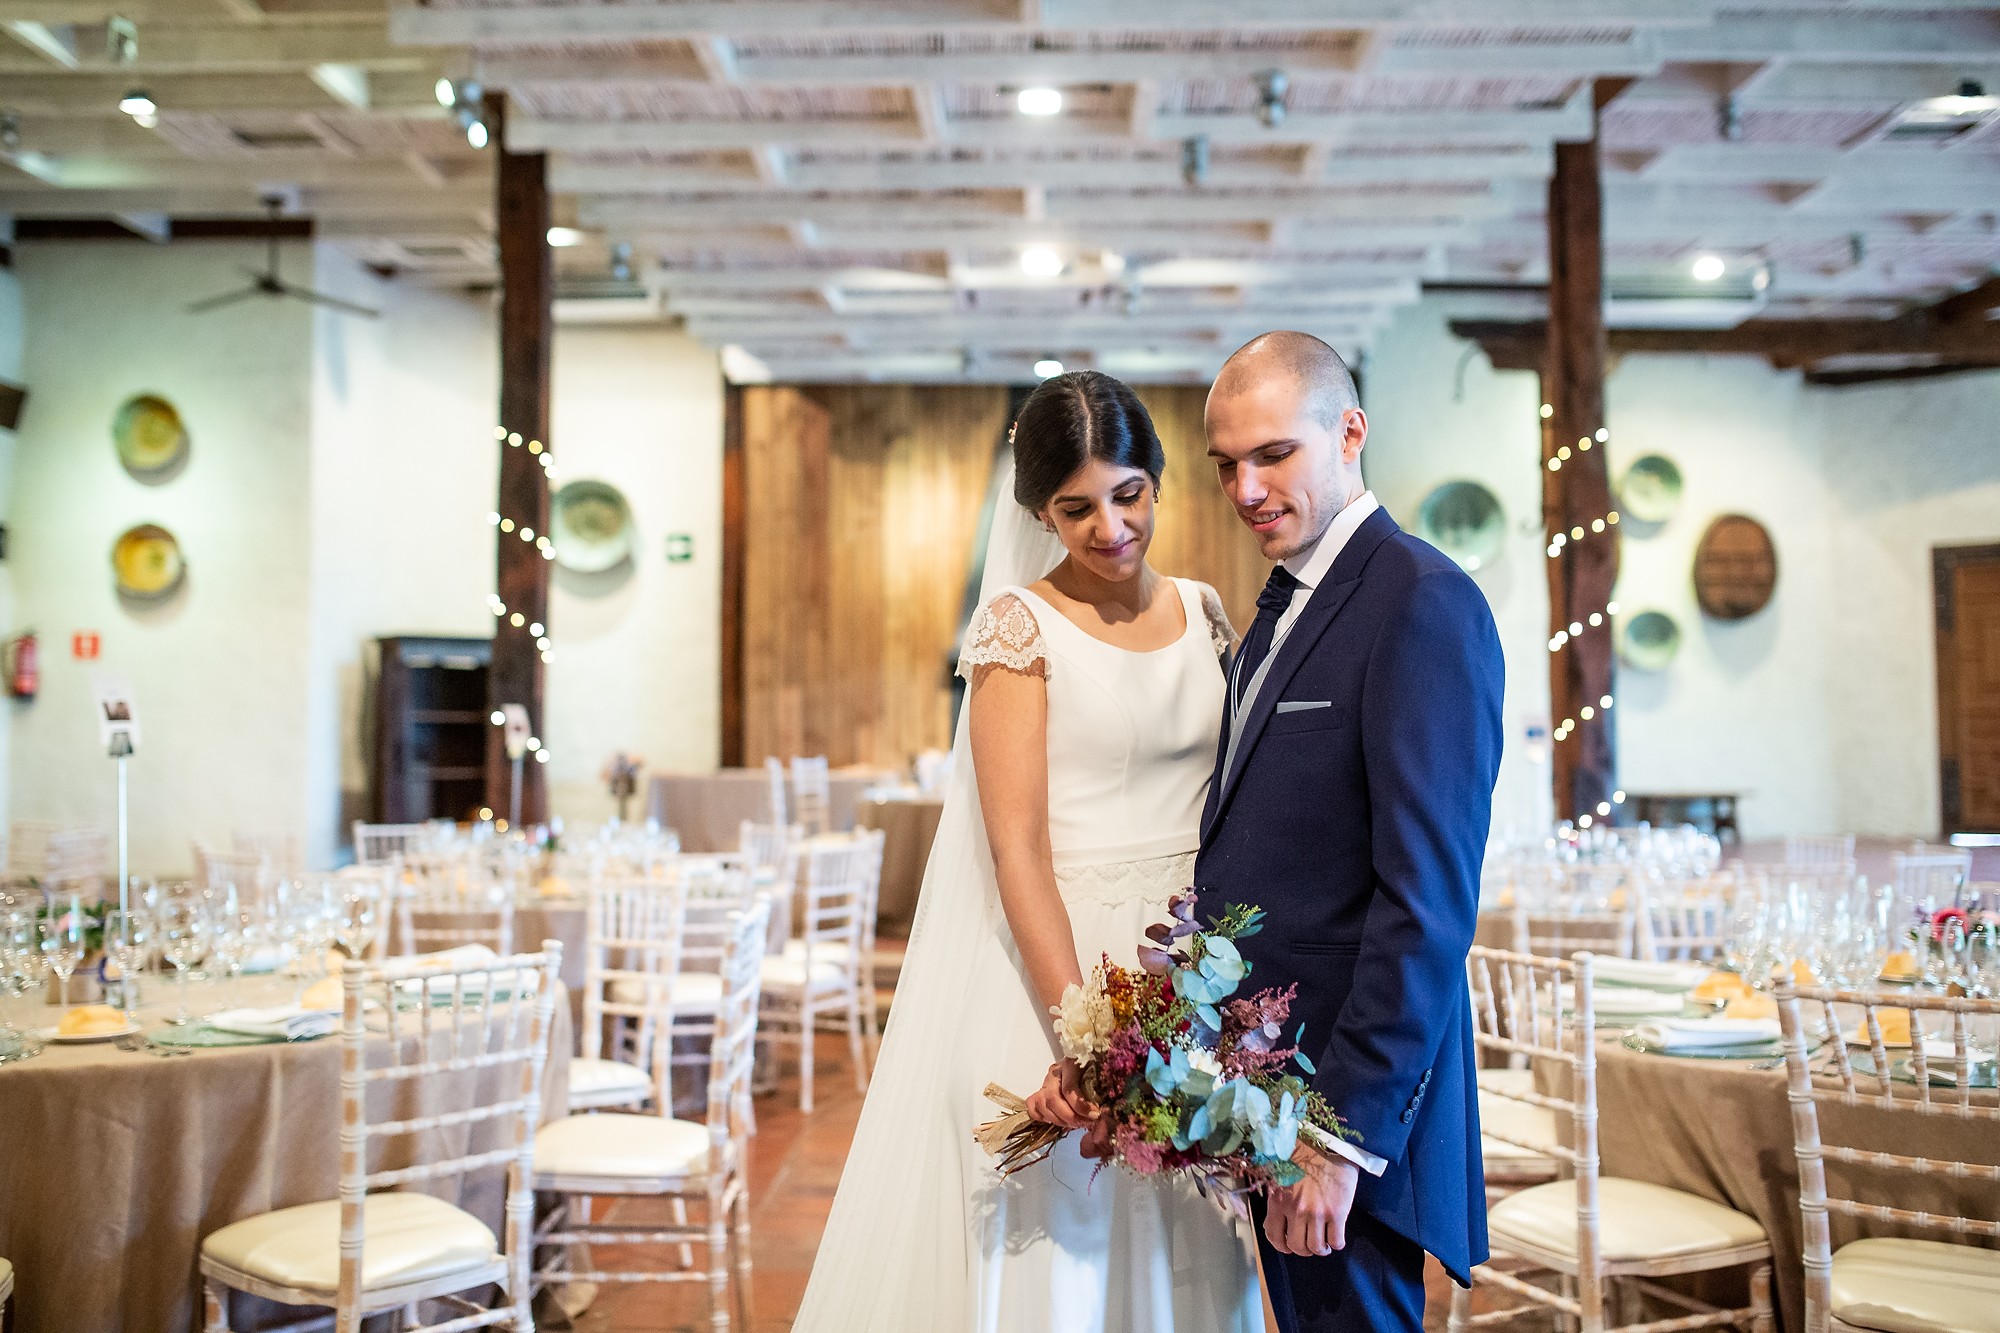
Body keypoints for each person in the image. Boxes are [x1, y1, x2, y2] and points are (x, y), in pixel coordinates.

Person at [792, 370, 1261, 1332]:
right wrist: (1088, 1039)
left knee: (1197, 1244)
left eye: (1128, 495)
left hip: (1191, 963)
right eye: (1076, 507)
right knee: (1075, 1253)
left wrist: (1208, 989)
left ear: (1160, 481)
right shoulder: (1018, 627)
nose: (1110, 528)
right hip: (1064, 966)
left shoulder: (1208, 612)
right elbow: (1017, 851)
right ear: (1040, 511)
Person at [1196, 331, 1505, 1332]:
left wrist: (1333, 1137)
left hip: (1343, 1108)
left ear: (1350, 431)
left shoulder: (1419, 601)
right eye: (1226, 465)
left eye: (1272, 454)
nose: (1244, 489)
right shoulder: (1278, 609)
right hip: (1262, 1089)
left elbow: (1424, 906)